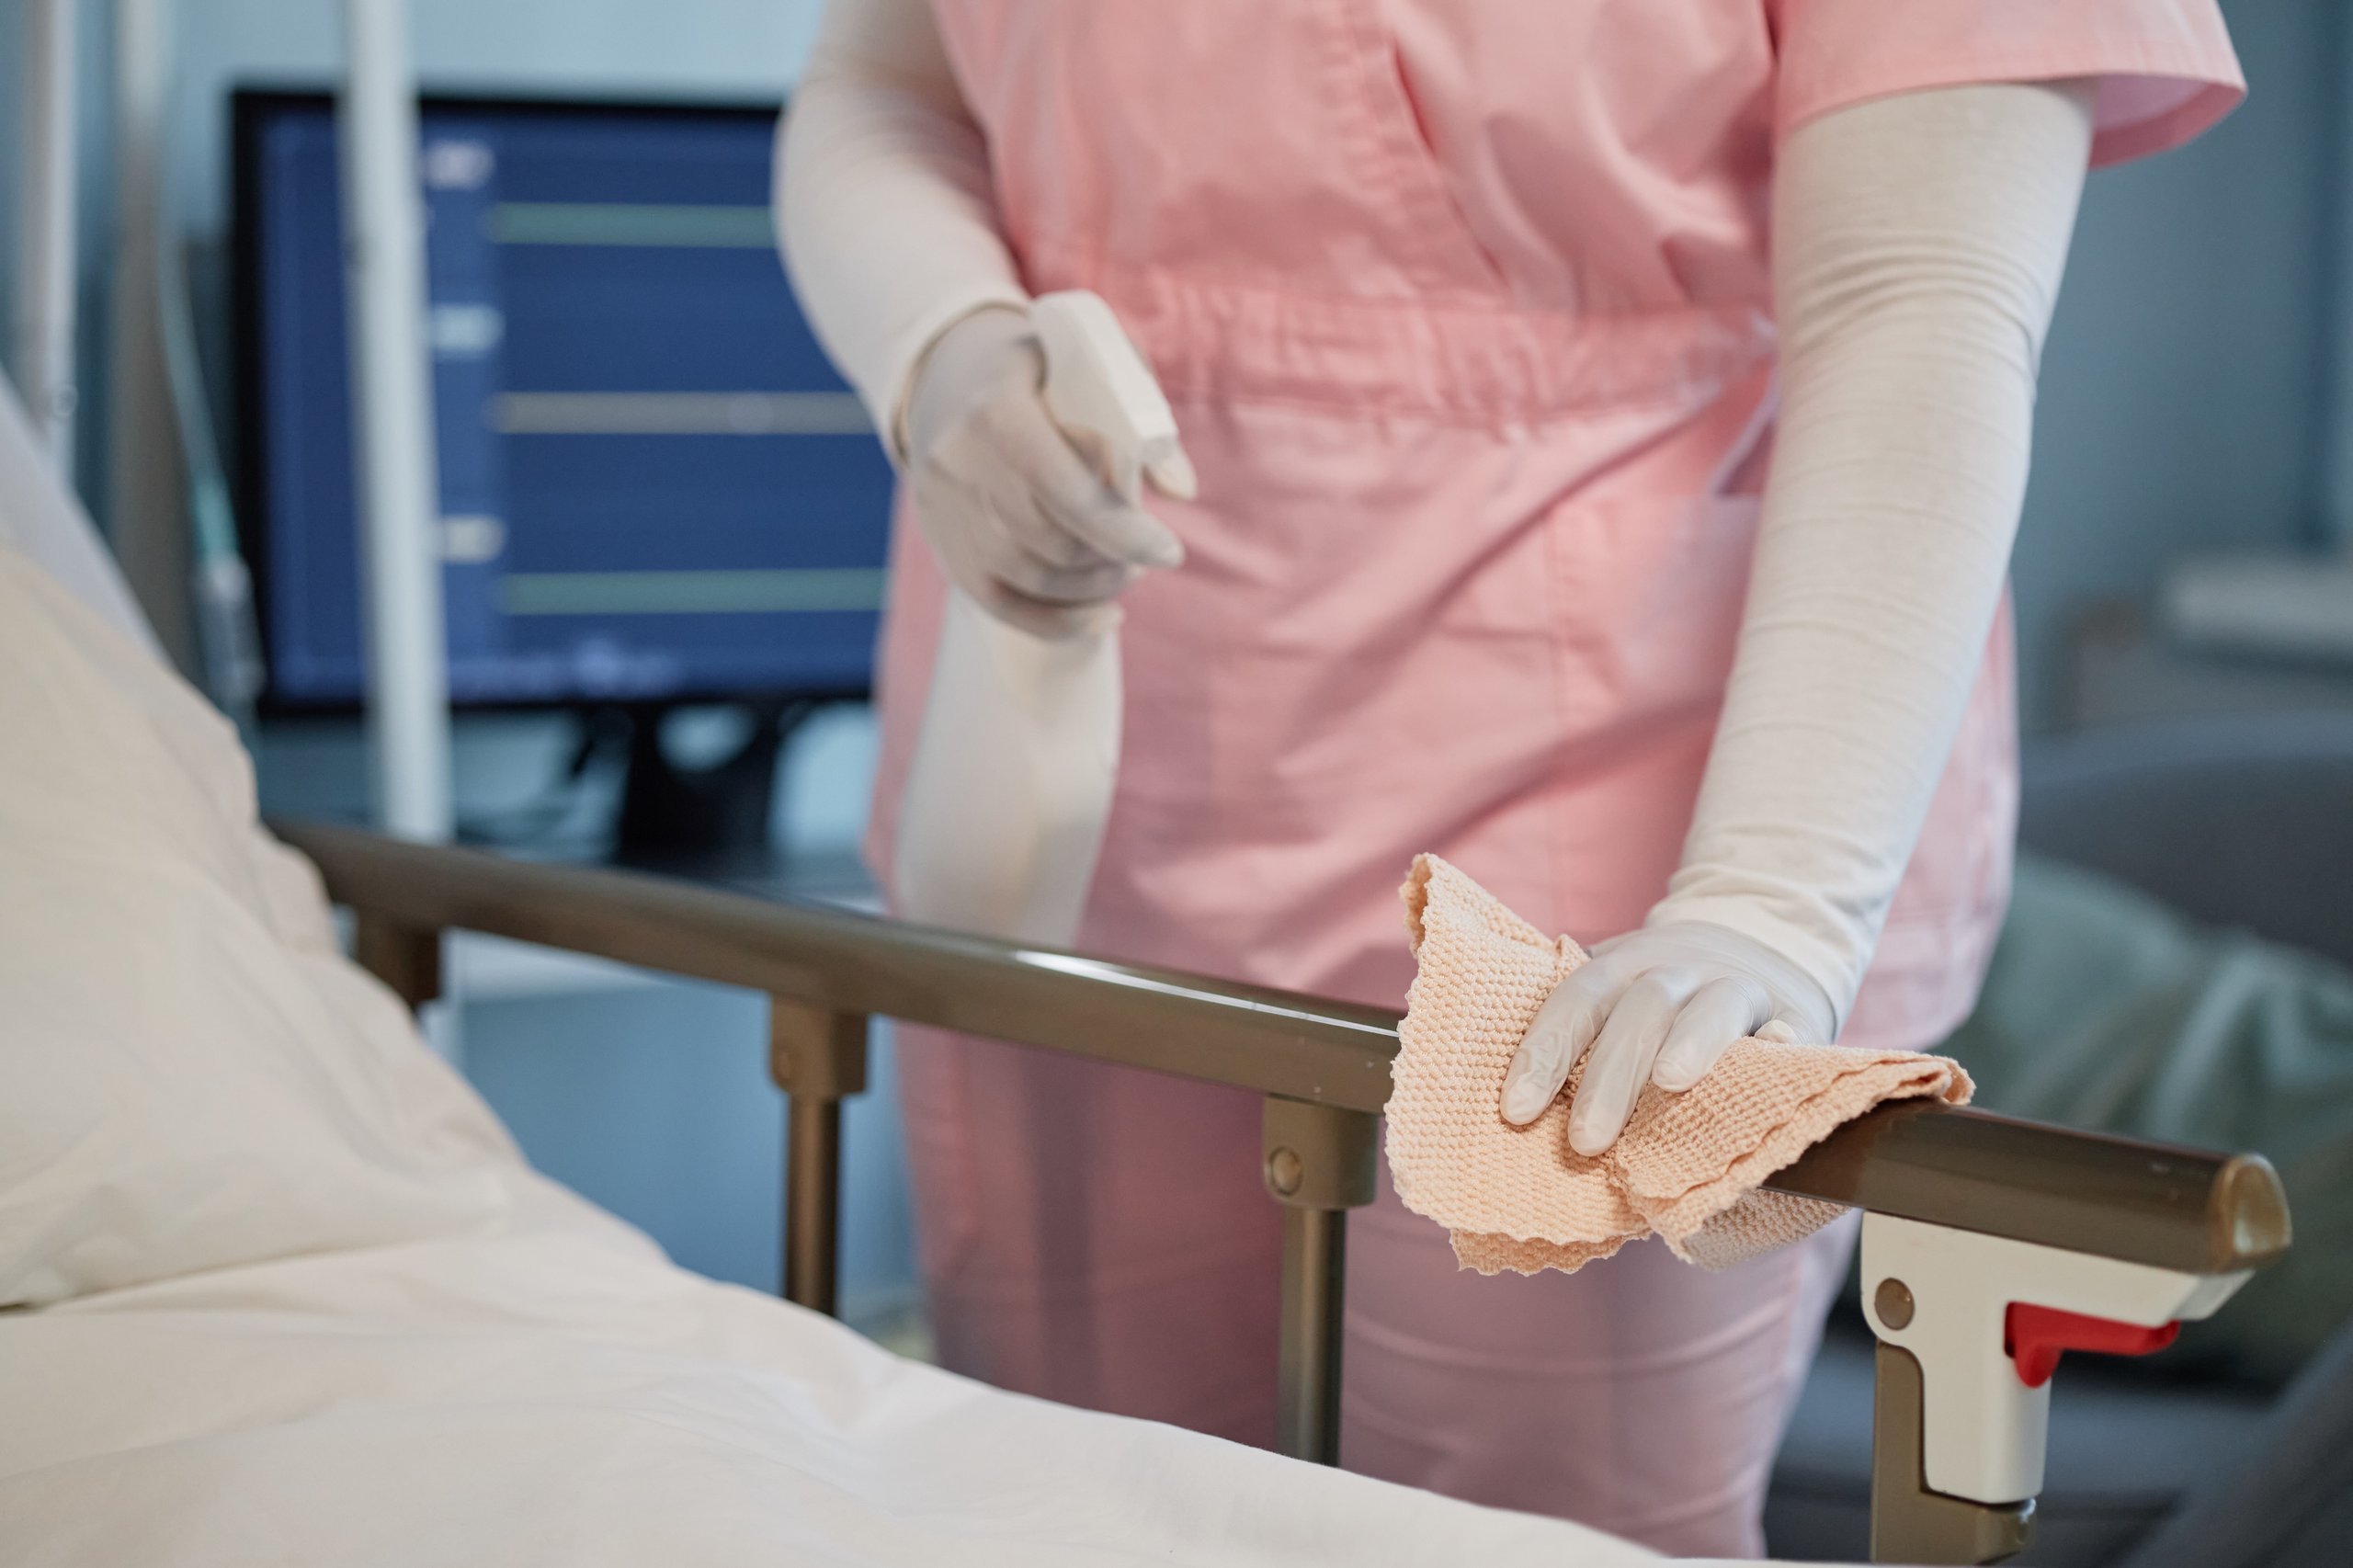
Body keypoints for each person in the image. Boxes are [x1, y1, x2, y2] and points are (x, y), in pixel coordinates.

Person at [779, 3, 2242, 1554]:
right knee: (1074, 1508)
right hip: (1075, 781)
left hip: (1633, 838)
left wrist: (1766, 906)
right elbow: (884, 84)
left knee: (1535, 1529)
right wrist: (942, 344)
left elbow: (1921, 303)